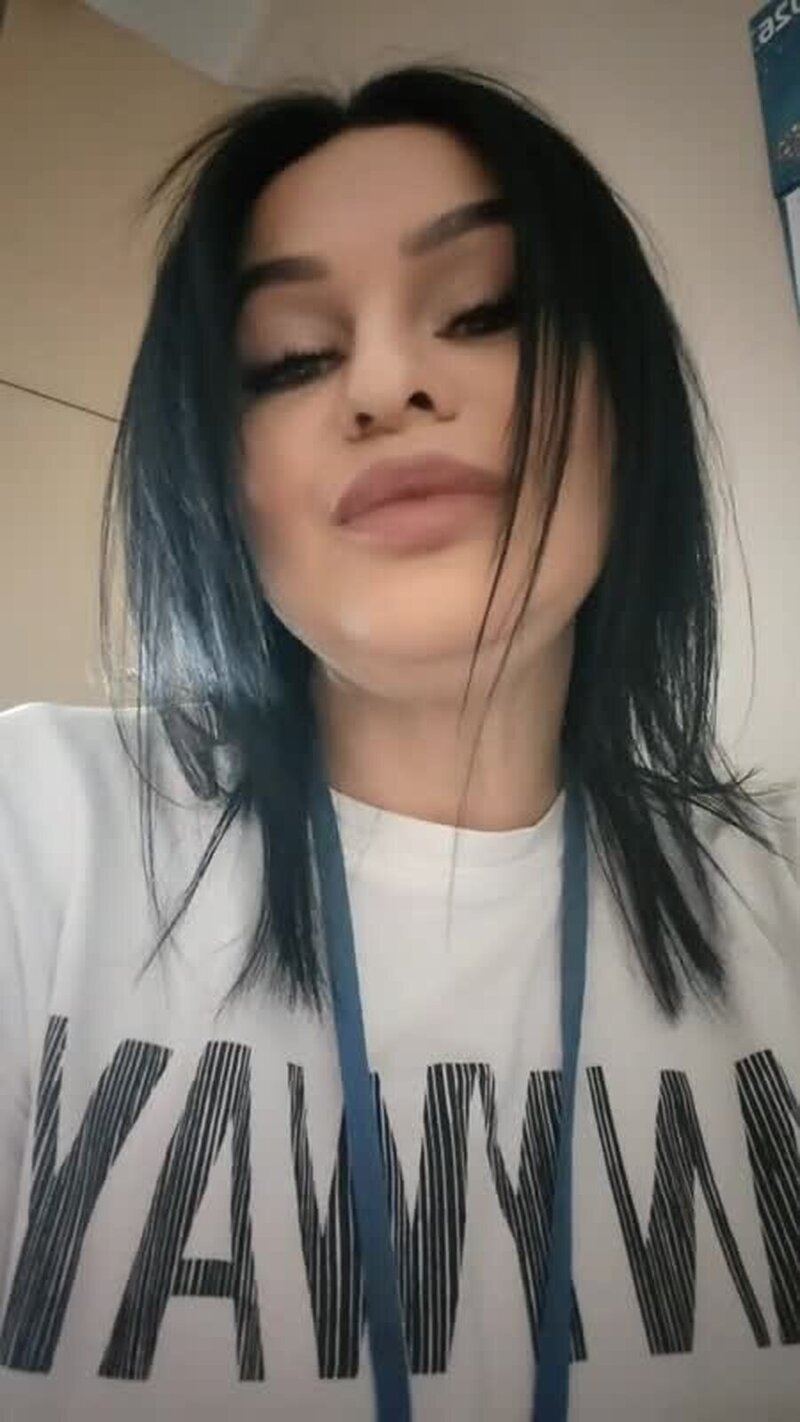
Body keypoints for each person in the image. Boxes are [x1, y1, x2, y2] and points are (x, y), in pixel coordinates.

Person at [0, 61, 797, 1422]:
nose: (382, 382)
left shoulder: (779, 892)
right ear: (224, 483)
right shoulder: (33, 830)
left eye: (482, 309)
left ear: (626, 406)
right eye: (290, 358)